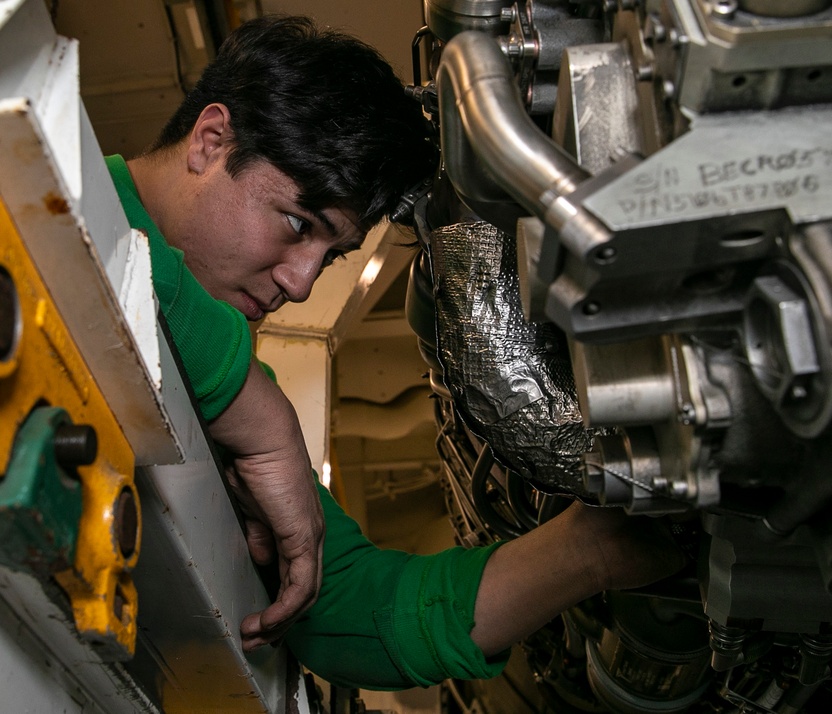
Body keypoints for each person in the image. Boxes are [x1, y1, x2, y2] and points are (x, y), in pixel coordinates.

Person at [106, 14, 684, 689]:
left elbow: (354, 607)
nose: (298, 283)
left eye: (330, 257)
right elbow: (96, 246)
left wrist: (590, 549)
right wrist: (259, 415)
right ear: (210, 141)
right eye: (297, 223)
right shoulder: (35, 170)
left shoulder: (226, 399)